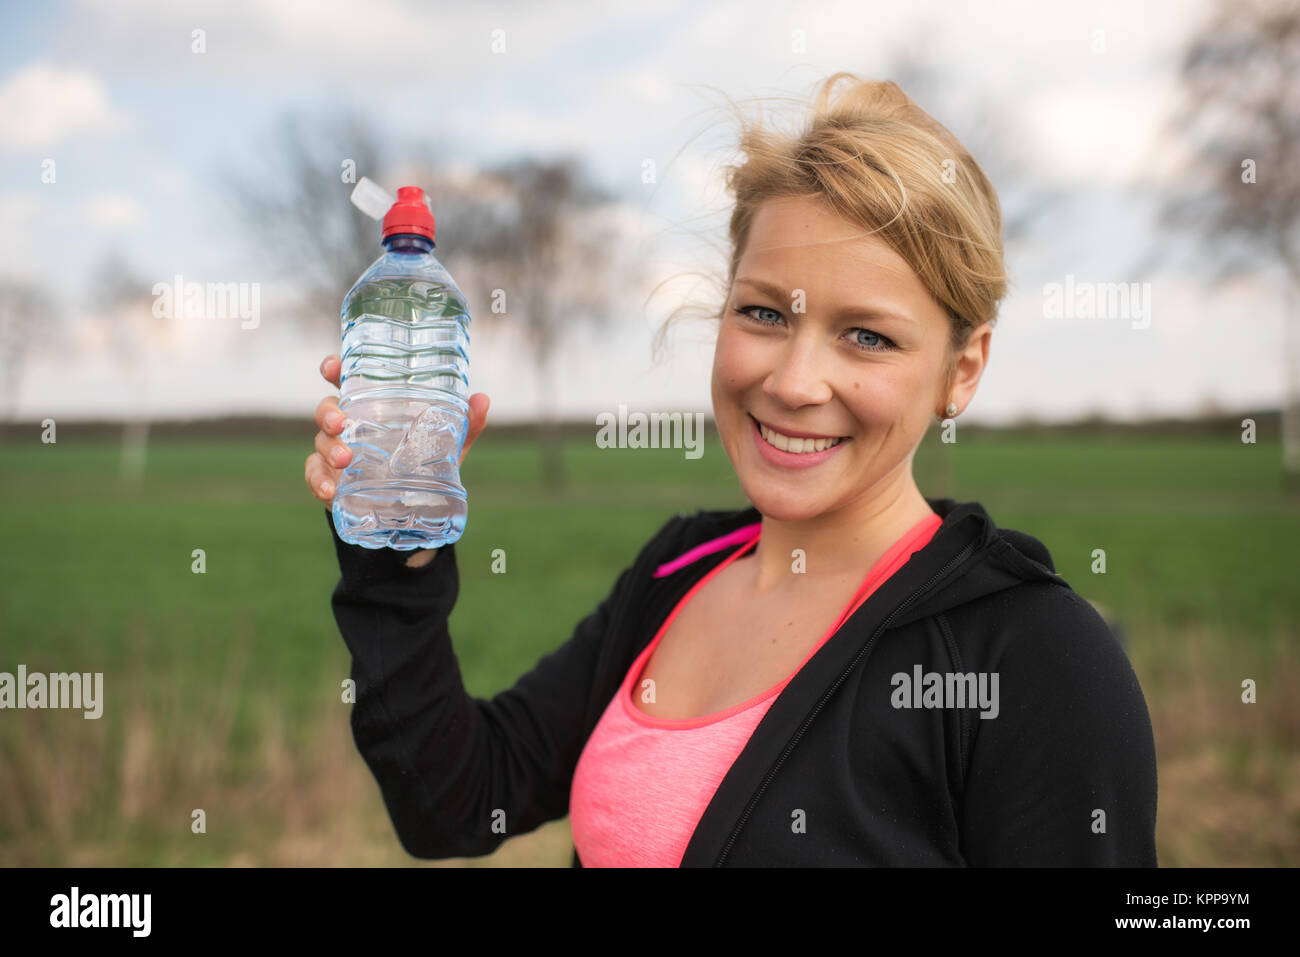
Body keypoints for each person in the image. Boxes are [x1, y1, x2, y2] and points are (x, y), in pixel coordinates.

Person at [304, 73, 1158, 867]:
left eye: (868, 335)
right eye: (762, 313)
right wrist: (395, 544)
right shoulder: (677, 569)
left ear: (962, 369)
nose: (792, 382)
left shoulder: (1036, 661)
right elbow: (458, 800)